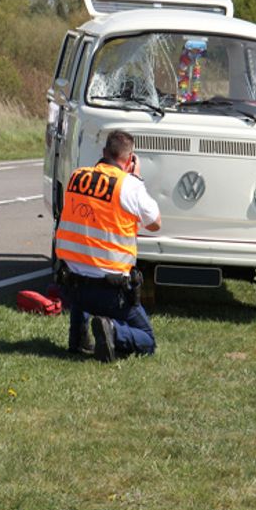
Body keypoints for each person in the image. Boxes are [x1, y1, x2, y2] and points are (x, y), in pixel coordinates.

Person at [54, 130, 162, 362]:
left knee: (83, 264)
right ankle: (112, 330)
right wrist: (137, 178)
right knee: (147, 339)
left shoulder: (77, 176)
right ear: (130, 159)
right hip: (110, 291)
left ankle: (78, 339)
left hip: (72, 287)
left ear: (104, 153)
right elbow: (155, 224)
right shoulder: (129, 185)